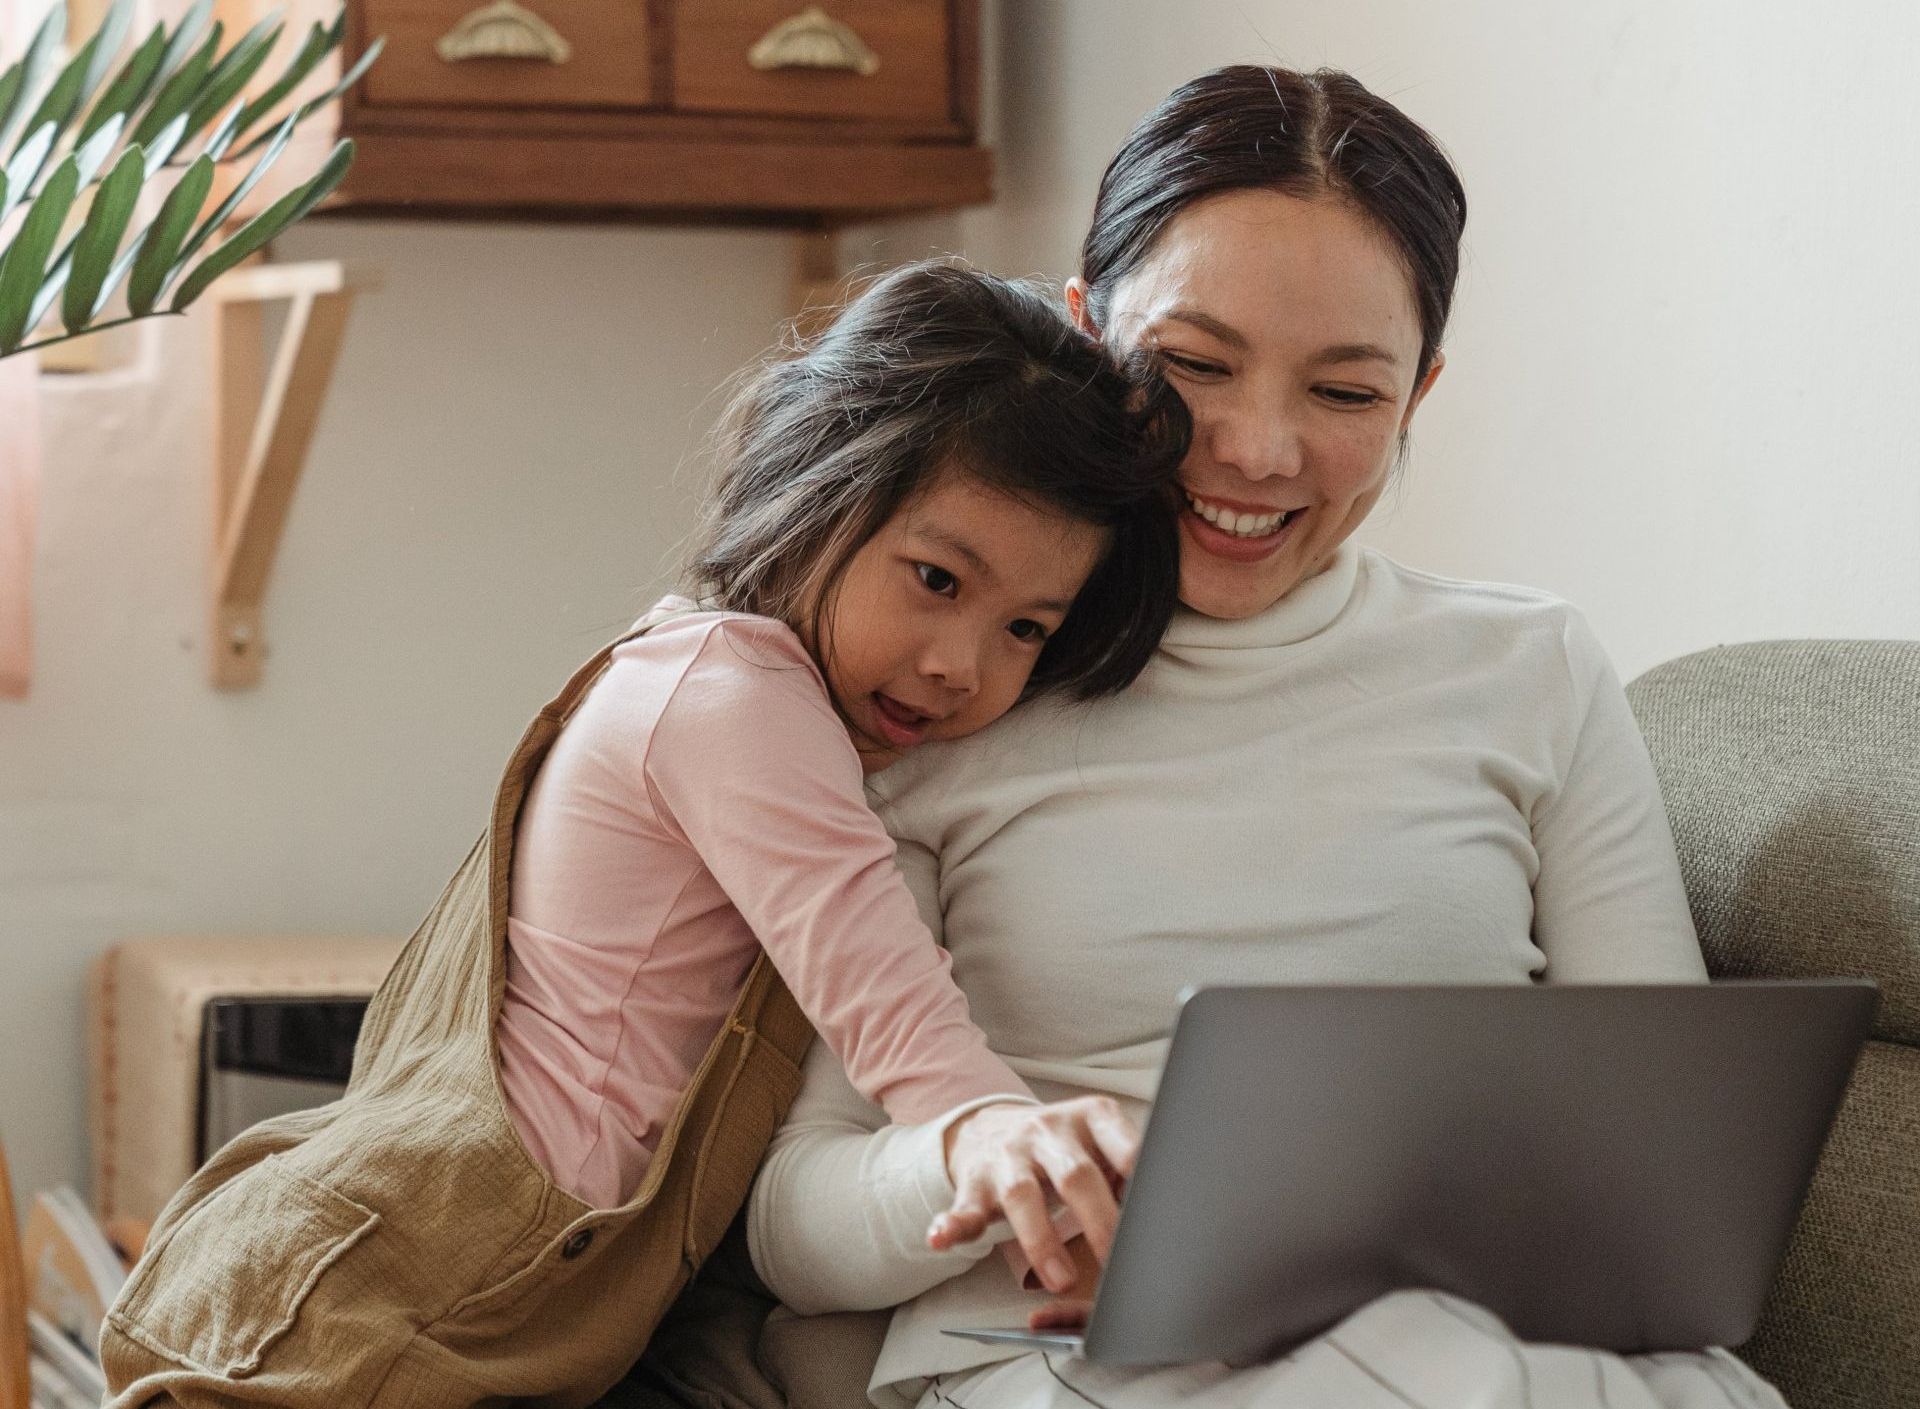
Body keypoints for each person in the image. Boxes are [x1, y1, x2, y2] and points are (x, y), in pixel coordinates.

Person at [742, 67, 1790, 1409]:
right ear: (1085, 331)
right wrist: (976, 1163)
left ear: (1418, 393)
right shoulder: (952, 690)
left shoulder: (1531, 669)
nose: (1255, 448)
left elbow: (1676, 1165)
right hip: (1080, 1357)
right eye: (1191, 367)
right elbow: (790, 1218)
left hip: (1494, 1342)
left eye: (1346, 393)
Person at [97, 263, 1190, 1409]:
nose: (959, 663)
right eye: (934, 577)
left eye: (1024, 627)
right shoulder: (737, 698)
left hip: (501, 1312)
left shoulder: (707, 674)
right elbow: (882, 988)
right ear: (816, 485)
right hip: (376, 1308)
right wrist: (997, 1132)